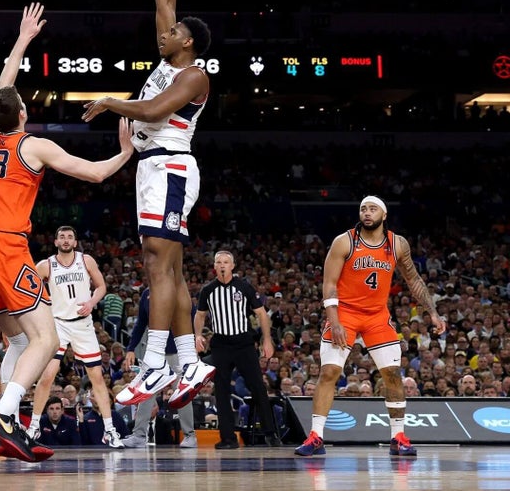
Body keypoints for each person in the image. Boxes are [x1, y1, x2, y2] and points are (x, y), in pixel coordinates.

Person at [0, 2, 137, 463]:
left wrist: (22, 39)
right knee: (46, 339)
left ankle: (8, 422)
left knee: (19, 340)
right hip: (3, 245)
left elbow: (3, 83)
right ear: (22, 112)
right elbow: (96, 174)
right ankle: (2, 415)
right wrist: (124, 153)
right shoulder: (33, 144)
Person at [81, 0, 216, 411]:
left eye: (176, 31)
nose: (166, 31)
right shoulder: (167, 60)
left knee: (160, 267)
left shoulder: (195, 76)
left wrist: (114, 102)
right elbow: (163, 0)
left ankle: (155, 362)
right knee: (169, 271)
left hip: (172, 167)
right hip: (152, 167)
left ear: (189, 43)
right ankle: (190, 360)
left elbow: (157, 110)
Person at [294, 195, 446, 458]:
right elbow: (328, 285)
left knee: (392, 374)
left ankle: (398, 436)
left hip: (377, 315)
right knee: (329, 372)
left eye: (372, 208)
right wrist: (335, 320)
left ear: (383, 215)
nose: (367, 212)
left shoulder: (397, 244)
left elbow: (414, 279)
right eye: (363, 208)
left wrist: (432, 312)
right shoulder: (344, 241)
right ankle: (316, 436)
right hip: (345, 313)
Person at [26, 225, 123, 448]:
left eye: (70, 237)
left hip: (83, 325)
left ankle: (109, 429)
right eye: (62, 237)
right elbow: (28, 290)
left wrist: (91, 302)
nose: (66, 240)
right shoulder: (45, 265)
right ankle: (33, 427)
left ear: (75, 242)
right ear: (56, 242)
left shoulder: (86, 260)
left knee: (97, 378)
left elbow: (101, 287)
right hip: (58, 324)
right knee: (47, 377)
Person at [193, 250, 282, 449]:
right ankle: (228, 439)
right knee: (222, 391)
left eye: (226, 262)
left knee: (258, 387)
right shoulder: (208, 290)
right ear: (214, 266)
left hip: (243, 343)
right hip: (221, 344)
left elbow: (261, 314)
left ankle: (270, 434)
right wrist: (198, 335)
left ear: (233, 266)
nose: (222, 265)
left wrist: (267, 340)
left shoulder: (244, 287)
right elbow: (199, 315)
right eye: (219, 262)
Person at [121, 287, 196, 449]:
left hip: (177, 352)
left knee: (182, 393)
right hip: (155, 353)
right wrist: (131, 348)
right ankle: (139, 435)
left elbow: (193, 316)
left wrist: (194, 340)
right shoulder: (147, 294)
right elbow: (141, 323)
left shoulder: (179, 289)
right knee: (146, 393)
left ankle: (190, 435)